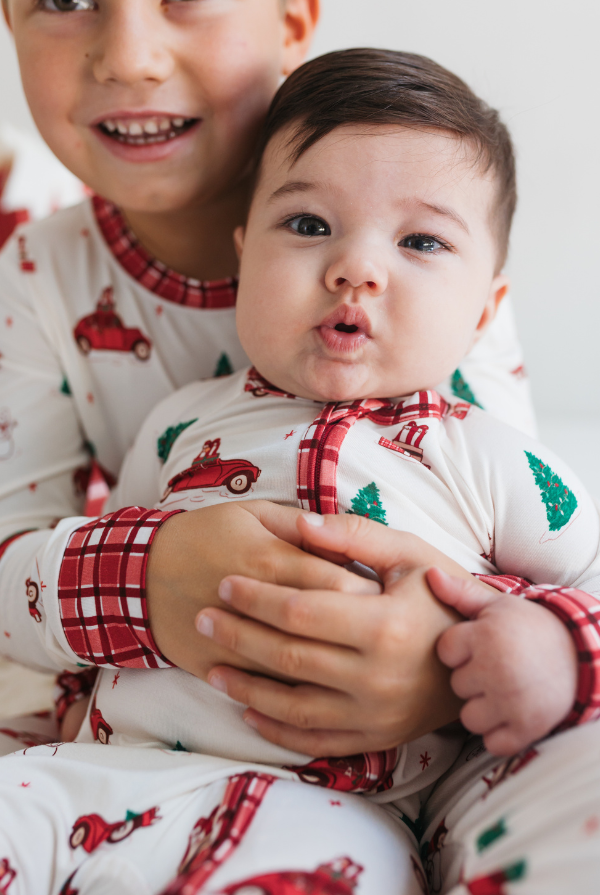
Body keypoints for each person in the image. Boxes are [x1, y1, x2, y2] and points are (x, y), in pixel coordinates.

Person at [2, 49, 600, 895]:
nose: (356, 266)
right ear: (242, 258)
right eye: (310, 225)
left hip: (332, 817)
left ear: (486, 309)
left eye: (422, 240)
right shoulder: (179, 423)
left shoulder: (489, 456)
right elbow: (86, 569)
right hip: (98, 772)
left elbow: (591, 585)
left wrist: (553, 643)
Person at [0, 0, 532, 753]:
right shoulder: (34, 274)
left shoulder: (434, 249)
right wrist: (145, 579)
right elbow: (10, 564)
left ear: (291, 19)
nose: (129, 56)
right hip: (159, 718)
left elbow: (535, 550)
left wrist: (448, 652)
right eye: (63, 0)